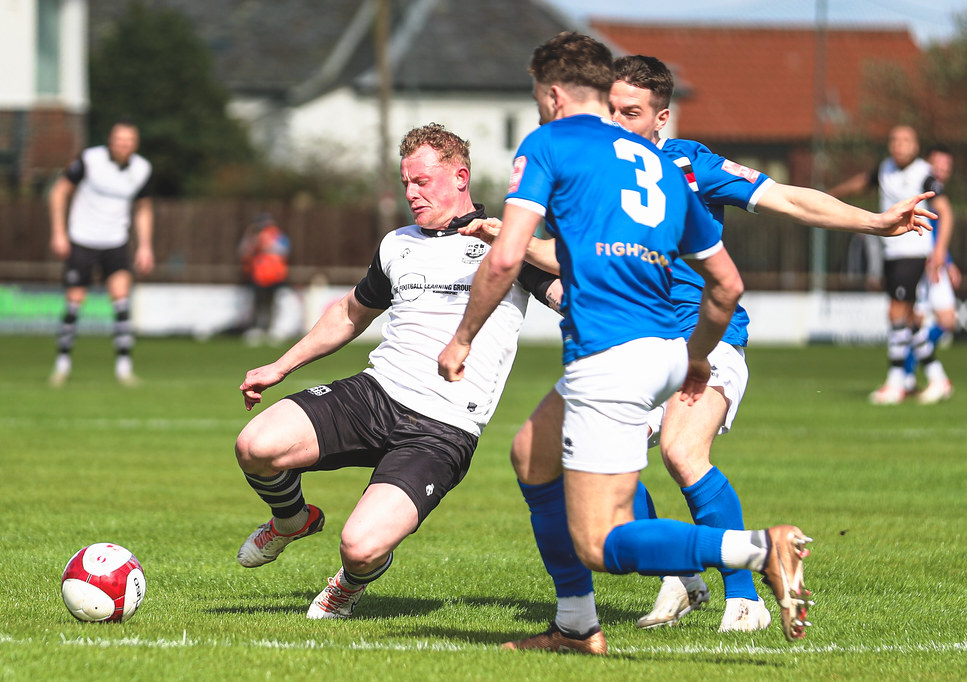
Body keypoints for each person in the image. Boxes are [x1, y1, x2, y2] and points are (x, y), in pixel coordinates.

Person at [458, 53, 935, 646]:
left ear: (662, 117)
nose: (618, 120)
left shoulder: (685, 164)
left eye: (631, 112)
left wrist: (873, 223)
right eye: (611, 108)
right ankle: (680, 574)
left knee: (682, 452)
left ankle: (744, 597)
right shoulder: (599, 169)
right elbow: (578, 259)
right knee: (572, 455)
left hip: (706, 342)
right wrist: (513, 239)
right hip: (644, 343)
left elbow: (786, 198)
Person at [438, 32, 814, 651]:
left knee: (600, 541)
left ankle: (757, 550)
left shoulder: (551, 144)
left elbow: (506, 257)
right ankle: (576, 626)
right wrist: (693, 359)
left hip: (608, 357)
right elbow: (726, 283)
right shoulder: (661, 162)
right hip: (667, 348)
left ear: (554, 94)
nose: (537, 109)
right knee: (532, 453)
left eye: (536, 97)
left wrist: (461, 338)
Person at [232, 124, 559, 620]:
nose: (411, 192)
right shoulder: (397, 244)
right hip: (375, 395)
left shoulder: (506, 245)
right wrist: (280, 366)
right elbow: (349, 313)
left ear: (460, 177)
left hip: (441, 429)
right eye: (405, 182)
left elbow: (569, 298)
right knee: (255, 446)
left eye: (423, 181)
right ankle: (292, 520)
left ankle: (350, 584)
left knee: (360, 547)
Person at [831, 125, 953, 405]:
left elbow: (945, 211)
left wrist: (940, 252)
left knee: (896, 312)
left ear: (915, 145)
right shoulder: (884, 168)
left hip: (913, 250)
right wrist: (830, 194)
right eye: (895, 140)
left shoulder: (925, 173)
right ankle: (937, 377)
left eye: (906, 140)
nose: (899, 145)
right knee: (909, 318)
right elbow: (862, 182)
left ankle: (896, 382)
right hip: (891, 252)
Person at [47, 120, 154, 387]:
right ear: (110, 140)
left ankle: (124, 368)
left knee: (121, 301)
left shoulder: (142, 169)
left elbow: (143, 208)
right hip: (82, 239)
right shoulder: (89, 159)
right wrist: (59, 233)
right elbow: (59, 192)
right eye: (119, 140)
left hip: (115, 242)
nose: (123, 145)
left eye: (129, 141)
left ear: (135, 144)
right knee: (74, 302)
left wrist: (145, 246)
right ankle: (62, 365)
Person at [903, 145, 958, 400]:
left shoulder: (938, 195)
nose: (942, 171)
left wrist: (946, 261)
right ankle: (908, 377)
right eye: (938, 165)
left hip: (934, 263)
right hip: (919, 263)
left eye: (947, 167)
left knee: (946, 322)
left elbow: (938, 234)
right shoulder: (920, 189)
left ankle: (914, 374)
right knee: (913, 320)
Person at [238, 213, 291, 344]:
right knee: (258, 303)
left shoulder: (278, 236)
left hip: (275, 275)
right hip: (259, 276)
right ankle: (257, 328)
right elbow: (244, 250)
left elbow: (284, 250)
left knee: (273, 303)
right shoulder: (252, 236)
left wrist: (266, 244)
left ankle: (273, 329)